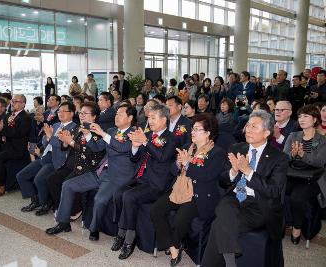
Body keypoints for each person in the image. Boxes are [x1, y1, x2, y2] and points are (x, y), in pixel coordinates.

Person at [201, 110, 288, 267]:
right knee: (226, 204)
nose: (248, 129)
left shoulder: (278, 157)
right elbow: (222, 181)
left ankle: (227, 262)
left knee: (218, 225)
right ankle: (230, 262)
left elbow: (274, 191)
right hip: (234, 200)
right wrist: (234, 171)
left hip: (259, 206)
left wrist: (248, 172)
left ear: (267, 132)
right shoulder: (236, 148)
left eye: (254, 126)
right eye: (248, 125)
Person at [46, 104, 137, 241]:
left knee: (99, 200)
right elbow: (95, 148)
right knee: (68, 185)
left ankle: (94, 229)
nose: (116, 117)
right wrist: (88, 134)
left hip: (117, 177)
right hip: (100, 172)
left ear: (130, 118)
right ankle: (63, 222)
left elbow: (122, 148)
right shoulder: (112, 130)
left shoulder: (134, 133)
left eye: (120, 114)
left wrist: (102, 133)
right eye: (116, 114)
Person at [150, 113, 226, 266]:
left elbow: (207, 175)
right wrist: (178, 164)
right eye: (193, 128)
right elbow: (173, 169)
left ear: (208, 133)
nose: (192, 132)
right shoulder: (186, 147)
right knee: (155, 210)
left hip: (200, 194)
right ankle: (172, 245)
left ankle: (174, 249)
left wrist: (187, 165)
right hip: (179, 189)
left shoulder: (216, 153)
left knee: (179, 220)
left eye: (197, 129)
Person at [111, 104, 177, 260]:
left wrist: (146, 142)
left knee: (129, 197)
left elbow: (162, 157)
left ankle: (128, 240)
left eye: (153, 118)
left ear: (164, 119)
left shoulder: (172, 138)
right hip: (141, 178)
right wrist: (135, 146)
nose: (150, 121)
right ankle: (121, 231)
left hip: (157, 184)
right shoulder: (147, 134)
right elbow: (135, 158)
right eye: (149, 118)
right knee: (119, 192)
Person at [17, 101, 77, 216]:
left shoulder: (73, 128)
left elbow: (63, 146)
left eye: (64, 111)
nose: (60, 113)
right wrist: (45, 140)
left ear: (72, 113)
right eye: (59, 111)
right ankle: (35, 200)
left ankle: (45, 203)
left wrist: (49, 137)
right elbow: (45, 141)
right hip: (44, 156)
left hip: (57, 160)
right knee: (22, 175)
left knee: (39, 179)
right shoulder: (55, 125)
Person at [45, 102, 105, 215]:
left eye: (85, 113)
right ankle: (60, 207)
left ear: (94, 116)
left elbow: (89, 151)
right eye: (81, 113)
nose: (81, 115)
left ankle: (73, 210)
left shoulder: (97, 131)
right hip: (72, 163)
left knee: (66, 182)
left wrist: (71, 142)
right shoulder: (78, 128)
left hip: (87, 166)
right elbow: (65, 147)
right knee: (52, 180)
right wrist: (65, 142)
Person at [283, 105, 326, 245]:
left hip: (312, 179)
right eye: (300, 116)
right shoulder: (293, 136)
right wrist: (293, 154)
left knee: (297, 197)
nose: (301, 119)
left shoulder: (322, 140)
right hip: (293, 175)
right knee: (278, 190)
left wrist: (303, 155)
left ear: (314, 119)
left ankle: (297, 227)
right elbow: (284, 158)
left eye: (305, 116)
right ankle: (281, 223)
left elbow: (320, 162)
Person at [0, 94, 32, 197]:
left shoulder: (26, 117)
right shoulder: (8, 115)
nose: (13, 103)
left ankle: (1, 186)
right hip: (6, 145)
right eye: (12, 101)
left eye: (16, 101)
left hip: (18, 148)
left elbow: (18, 133)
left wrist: (1, 129)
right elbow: (3, 132)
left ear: (23, 104)